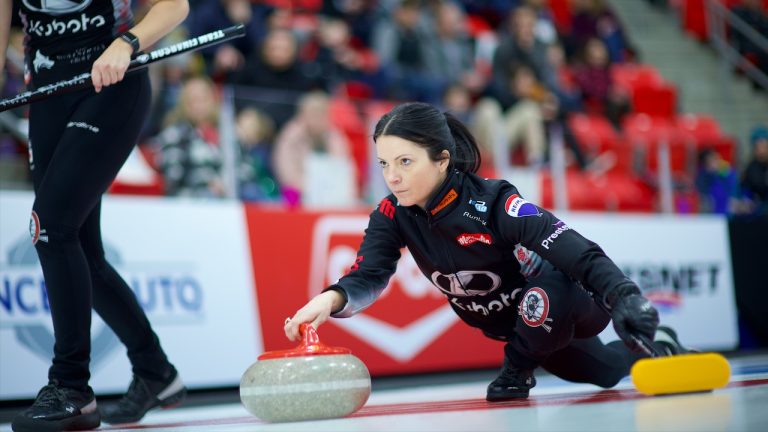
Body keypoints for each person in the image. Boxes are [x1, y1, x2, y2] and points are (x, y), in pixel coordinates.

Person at [284, 102, 689, 401]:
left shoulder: (493, 201)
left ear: (442, 160)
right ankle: (663, 344)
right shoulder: (391, 215)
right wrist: (328, 299)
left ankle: (517, 369)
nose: (393, 176)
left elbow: (574, 251)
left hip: (570, 299)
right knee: (603, 373)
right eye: (385, 163)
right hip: (525, 330)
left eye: (406, 162)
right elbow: (368, 275)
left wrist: (624, 296)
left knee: (545, 289)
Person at [1, 0, 189, 430]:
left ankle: (71, 386)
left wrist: (127, 41)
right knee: (81, 249)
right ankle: (156, 371)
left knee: (51, 226)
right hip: (47, 92)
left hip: (112, 83)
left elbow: (175, 6)